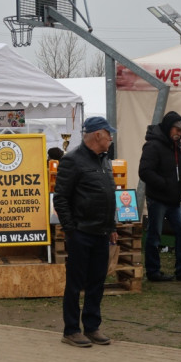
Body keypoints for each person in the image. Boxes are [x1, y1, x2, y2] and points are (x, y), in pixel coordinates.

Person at [52, 116, 118, 349]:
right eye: (108, 134)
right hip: (81, 232)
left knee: (97, 282)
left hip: (101, 232)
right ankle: (71, 330)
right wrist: (71, 230)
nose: (111, 138)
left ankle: (92, 326)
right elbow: (60, 198)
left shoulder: (105, 160)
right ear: (97, 135)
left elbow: (109, 195)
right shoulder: (72, 160)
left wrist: (112, 227)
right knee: (75, 283)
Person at [139, 111, 181, 283]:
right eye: (176, 129)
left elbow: (178, 172)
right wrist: (164, 184)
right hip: (158, 198)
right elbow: (144, 171)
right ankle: (153, 271)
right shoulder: (153, 146)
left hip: (173, 199)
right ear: (168, 127)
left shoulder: (175, 146)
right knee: (154, 234)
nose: (179, 133)